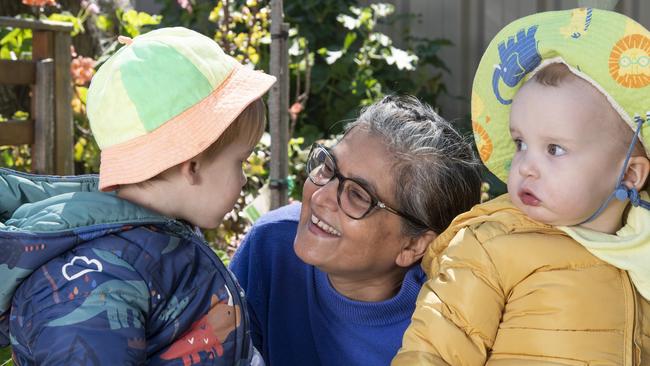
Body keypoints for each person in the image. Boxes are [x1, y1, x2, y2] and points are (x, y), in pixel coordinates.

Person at [0, 27, 275, 365]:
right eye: (240, 162)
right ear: (192, 166)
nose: (245, 178)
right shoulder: (95, 280)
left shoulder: (159, 237)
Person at [393, 8, 650, 365]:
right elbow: (433, 352)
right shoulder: (490, 246)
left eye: (555, 149)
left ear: (629, 176)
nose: (526, 167)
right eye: (520, 143)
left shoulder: (642, 248)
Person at [229, 95, 483, 366]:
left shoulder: (449, 321)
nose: (320, 197)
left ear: (413, 246)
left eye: (358, 196)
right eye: (328, 167)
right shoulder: (272, 246)